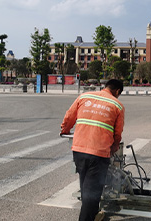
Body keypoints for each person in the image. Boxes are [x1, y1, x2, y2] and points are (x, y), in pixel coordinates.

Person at [60, 79, 125, 221]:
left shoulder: (84, 96)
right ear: (117, 91)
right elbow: (117, 133)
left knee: (86, 185)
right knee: (92, 191)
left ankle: (94, 214)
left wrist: (64, 130)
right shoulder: (117, 105)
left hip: (78, 150)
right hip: (99, 154)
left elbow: (69, 116)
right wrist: (113, 148)